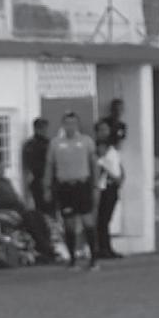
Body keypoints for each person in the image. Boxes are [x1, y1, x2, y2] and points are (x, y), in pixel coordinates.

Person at [43, 111, 98, 269]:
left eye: (73, 123)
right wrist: (47, 187)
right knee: (69, 223)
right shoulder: (55, 143)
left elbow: (93, 164)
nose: (70, 127)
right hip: (65, 186)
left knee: (87, 221)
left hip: (82, 185)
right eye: (67, 123)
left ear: (77, 125)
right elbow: (49, 166)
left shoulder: (86, 141)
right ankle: (72, 258)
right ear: (63, 125)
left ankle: (94, 258)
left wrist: (96, 185)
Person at [0, 154, 57, 263]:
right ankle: (45, 248)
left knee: (38, 215)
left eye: (3, 168)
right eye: (0, 168)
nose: (3, 170)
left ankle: (47, 246)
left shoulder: (6, 181)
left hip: (18, 209)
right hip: (6, 211)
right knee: (30, 219)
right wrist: (7, 213)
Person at [93, 123, 124, 260]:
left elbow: (117, 164)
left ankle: (106, 247)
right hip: (104, 187)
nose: (105, 132)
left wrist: (120, 177)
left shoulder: (112, 147)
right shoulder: (98, 148)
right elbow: (101, 165)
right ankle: (102, 248)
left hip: (113, 186)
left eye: (106, 129)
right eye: (101, 130)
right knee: (102, 219)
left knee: (106, 218)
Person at [21, 117, 52, 214]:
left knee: (49, 208)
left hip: (48, 180)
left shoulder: (49, 143)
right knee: (41, 208)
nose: (44, 130)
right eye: (42, 128)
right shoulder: (30, 145)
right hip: (37, 180)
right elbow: (26, 167)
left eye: (45, 128)